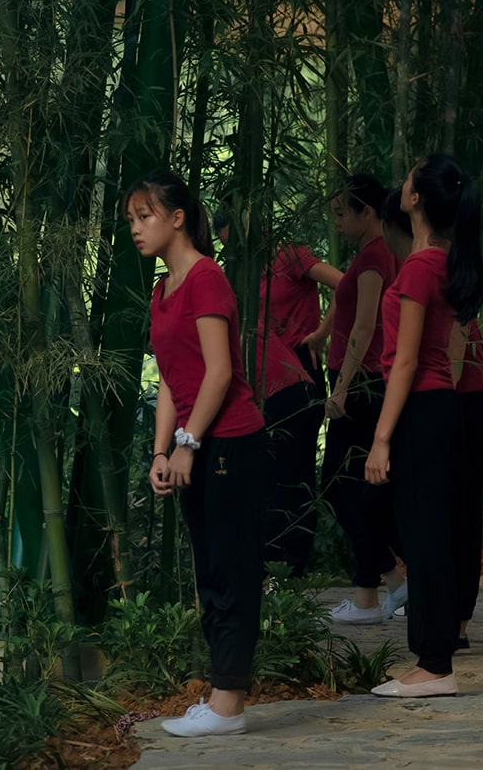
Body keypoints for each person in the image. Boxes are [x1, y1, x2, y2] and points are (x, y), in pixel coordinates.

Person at [129, 171, 267, 737]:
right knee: (209, 572)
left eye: (145, 216)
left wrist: (188, 442)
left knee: (232, 571)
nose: (136, 229)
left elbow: (220, 373)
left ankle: (228, 703)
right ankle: (221, 696)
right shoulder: (163, 290)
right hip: (194, 443)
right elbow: (170, 381)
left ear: (178, 217)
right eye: (132, 220)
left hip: (230, 440)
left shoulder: (207, 278)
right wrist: (162, 451)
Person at [364, 154, 483, 698]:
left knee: (425, 534)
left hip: (422, 406)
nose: (403, 179)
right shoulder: (439, 259)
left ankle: (434, 665)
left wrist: (382, 437)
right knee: (428, 531)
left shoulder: (418, 267)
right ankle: (434, 660)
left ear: (415, 199)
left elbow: (406, 362)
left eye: (410, 176)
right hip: (440, 408)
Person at [214, 212, 341, 576]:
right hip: (266, 375)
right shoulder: (240, 276)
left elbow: (346, 284)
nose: (232, 251)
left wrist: (320, 333)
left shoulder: (290, 255)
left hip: (302, 366)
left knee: (296, 472)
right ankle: (274, 563)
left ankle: (292, 565)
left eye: (235, 242)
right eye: (226, 246)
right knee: (270, 471)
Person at [308, 175, 402, 623]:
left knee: (337, 484)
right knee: (364, 489)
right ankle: (369, 597)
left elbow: (365, 327)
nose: (339, 220)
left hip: (363, 385)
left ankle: (394, 574)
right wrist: (325, 332)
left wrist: (341, 390)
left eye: (344, 211)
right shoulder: (371, 255)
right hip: (361, 380)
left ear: (368, 213)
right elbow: (346, 311)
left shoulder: (374, 259)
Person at [450, 313, 483, 650]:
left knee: (462, 517)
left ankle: (457, 621)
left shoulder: (448, 278)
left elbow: (452, 368)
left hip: (460, 404)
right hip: (453, 404)